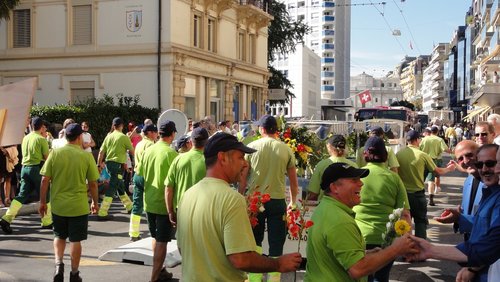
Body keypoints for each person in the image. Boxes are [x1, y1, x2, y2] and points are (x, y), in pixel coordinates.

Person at [176, 133, 302, 281]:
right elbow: (240, 259)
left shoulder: (187, 195)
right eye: (240, 157)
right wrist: (278, 264)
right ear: (222, 157)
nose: (244, 163)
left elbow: (181, 248)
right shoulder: (232, 199)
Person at [304, 162, 418, 281]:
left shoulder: (326, 208)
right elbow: (358, 269)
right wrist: (396, 249)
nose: (361, 183)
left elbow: (333, 256)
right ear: (334, 188)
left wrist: (365, 254)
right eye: (354, 180)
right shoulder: (340, 221)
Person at [409, 144, 500, 282]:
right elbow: (482, 224)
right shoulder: (477, 185)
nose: (484, 169)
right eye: (480, 164)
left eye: (491, 163)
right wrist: (459, 218)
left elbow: (491, 244)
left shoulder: (495, 192)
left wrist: (431, 250)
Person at [239, 114, 299, 282]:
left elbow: (243, 179)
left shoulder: (251, 147)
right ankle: (274, 280)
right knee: (276, 244)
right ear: (276, 130)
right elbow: (293, 183)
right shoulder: (286, 149)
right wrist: (293, 203)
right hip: (277, 201)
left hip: (254, 202)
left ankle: (254, 279)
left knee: (255, 244)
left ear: (262, 129)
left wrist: (240, 198)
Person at [38, 123, 100, 282]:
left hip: (58, 205)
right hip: (78, 206)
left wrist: (42, 202)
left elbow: (45, 179)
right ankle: (74, 273)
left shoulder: (55, 153)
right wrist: (95, 202)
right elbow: (93, 183)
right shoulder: (86, 156)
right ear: (80, 137)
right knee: (75, 240)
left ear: (65, 136)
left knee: (59, 236)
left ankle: (59, 265)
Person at [353, 137, 411, 282]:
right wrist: (408, 241)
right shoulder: (394, 178)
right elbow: (405, 213)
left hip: (357, 235)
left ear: (365, 154)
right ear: (385, 156)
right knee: (381, 277)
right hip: (386, 238)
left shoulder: (356, 176)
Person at [137, 120, 178, 282]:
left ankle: (161, 271)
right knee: (162, 241)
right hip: (163, 204)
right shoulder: (171, 154)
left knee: (156, 238)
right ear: (173, 134)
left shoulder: (149, 150)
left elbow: (139, 175)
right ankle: (154, 277)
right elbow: (174, 184)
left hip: (149, 202)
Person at [395, 130, 455, 239]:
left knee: (404, 223)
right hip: (418, 195)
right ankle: (419, 247)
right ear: (417, 140)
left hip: (403, 195)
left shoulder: (398, 154)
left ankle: (404, 247)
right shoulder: (423, 155)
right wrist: (449, 168)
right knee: (420, 222)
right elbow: (437, 171)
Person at [0, 117, 51, 234]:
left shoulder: (26, 137)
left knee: (21, 195)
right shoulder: (41, 139)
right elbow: (47, 158)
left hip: (25, 169)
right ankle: (47, 221)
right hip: (36, 169)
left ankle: (7, 218)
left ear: (32, 126)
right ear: (41, 126)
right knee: (45, 195)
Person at [435, 140, 483, 241]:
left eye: (469, 155)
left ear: (480, 154)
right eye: (460, 159)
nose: (465, 161)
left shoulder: (494, 182)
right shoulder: (468, 181)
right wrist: (457, 216)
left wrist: (459, 218)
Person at [165, 127, 209, 227]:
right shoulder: (210, 161)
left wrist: (170, 212)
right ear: (207, 142)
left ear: (191, 141)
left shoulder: (178, 159)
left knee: (183, 241)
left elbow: (168, 188)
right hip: (203, 210)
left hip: (181, 209)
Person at [96, 117, 134, 220]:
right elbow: (132, 152)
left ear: (113, 126)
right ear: (122, 126)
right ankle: (103, 212)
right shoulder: (123, 137)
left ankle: (130, 207)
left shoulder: (108, 136)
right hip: (118, 165)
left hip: (109, 165)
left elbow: (101, 152)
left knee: (119, 185)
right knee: (113, 187)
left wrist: (99, 165)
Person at [128, 124, 158, 241]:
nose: (156, 134)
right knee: (150, 204)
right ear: (150, 133)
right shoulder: (151, 145)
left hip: (137, 175)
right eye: (155, 132)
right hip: (147, 176)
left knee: (137, 204)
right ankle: (153, 232)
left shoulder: (139, 144)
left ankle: (133, 233)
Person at [307, 134, 357, 202]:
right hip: (347, 208)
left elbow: (313, 194)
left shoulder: (322, 165)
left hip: (325, 207)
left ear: (329, 147)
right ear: (345, 147)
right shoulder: (354, 166)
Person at [419, 125, 450, 206]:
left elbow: (419, 149)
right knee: (431, 180)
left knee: (421, 179)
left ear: (430, 132)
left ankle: (420, 196)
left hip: (424, 160)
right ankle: (431, 198)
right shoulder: (439, 140)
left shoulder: (424, 139)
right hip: (434, 161)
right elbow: (445, 149)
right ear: (437, 132)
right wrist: (452, 152)